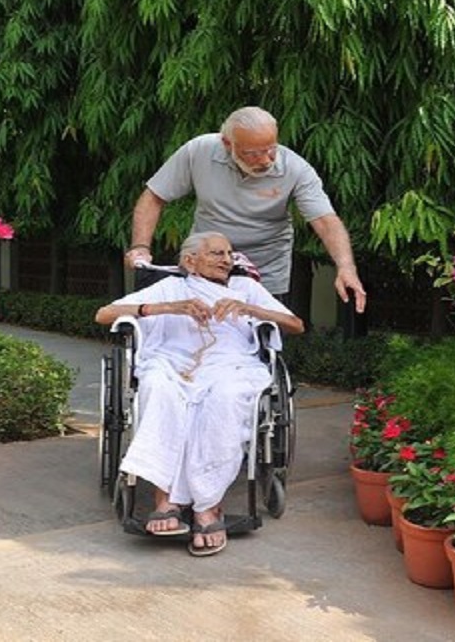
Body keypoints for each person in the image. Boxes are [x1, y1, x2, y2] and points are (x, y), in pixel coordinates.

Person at [95, 231, 305, 556]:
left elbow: (295, 324)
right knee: (158, 387)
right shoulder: (172, 287)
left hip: (230, 364)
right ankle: (165, 501)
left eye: (229, 253)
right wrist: (170, 308)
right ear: (190, 261)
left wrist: (249, 308)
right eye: (217, 253)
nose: (227, 260)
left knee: (226, 397)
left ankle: (209, 505)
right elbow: (104, 314)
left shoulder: (246, 288)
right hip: (174, 362)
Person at [125, 106, 367, 313]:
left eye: (271, 148)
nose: (265, 160)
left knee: (263, 342)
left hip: (266, 270)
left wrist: (346, 266)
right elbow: (153, 197)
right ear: (227, 144)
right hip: (205, 263)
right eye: (253, 153)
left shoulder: (295, 169)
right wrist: (140, 248)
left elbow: (325, 221)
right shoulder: (198, 151)